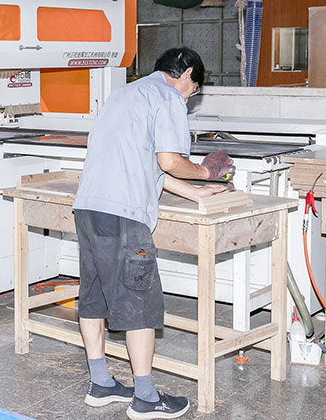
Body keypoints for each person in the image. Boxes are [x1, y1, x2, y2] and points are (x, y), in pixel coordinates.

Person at [71, 46, 235, 420]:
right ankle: (145, 397)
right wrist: (207, 172)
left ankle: (101, 384)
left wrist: (195, 192)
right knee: (139, 304)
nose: (190, 98)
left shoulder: (123, 94)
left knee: (94, 297)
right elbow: (170, 161)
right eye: (194, 90)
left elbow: (148, 164)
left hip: (89, 208)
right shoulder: (168, 97)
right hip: (124, 216)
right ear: (187, 73)